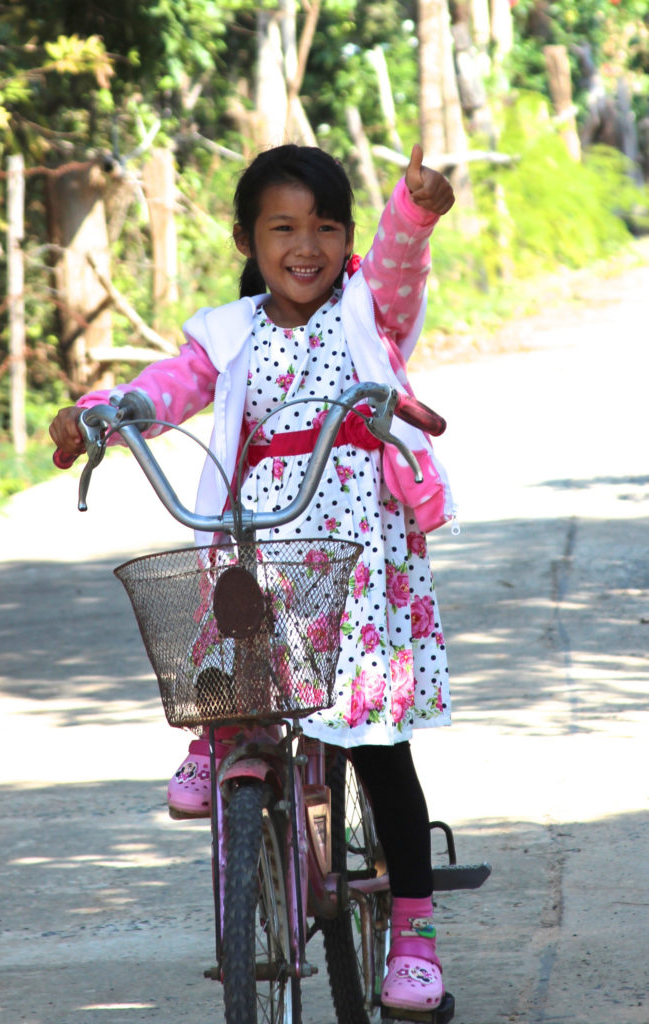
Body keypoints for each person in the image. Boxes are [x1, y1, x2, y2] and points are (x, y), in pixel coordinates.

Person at [50, 142, 455, 1014]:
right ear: (247, 239)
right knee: (234, 628)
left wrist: (412, 214)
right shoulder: (229, 335)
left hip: (358, 549)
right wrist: (102, 415)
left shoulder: (366, 313)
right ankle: (219, 744)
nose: (304, 245)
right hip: (266, 536)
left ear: (348, 241)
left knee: (378, 749)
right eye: (282, 228)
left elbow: (400, 266)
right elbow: (167, 387)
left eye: (325, 227)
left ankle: (414, 933)